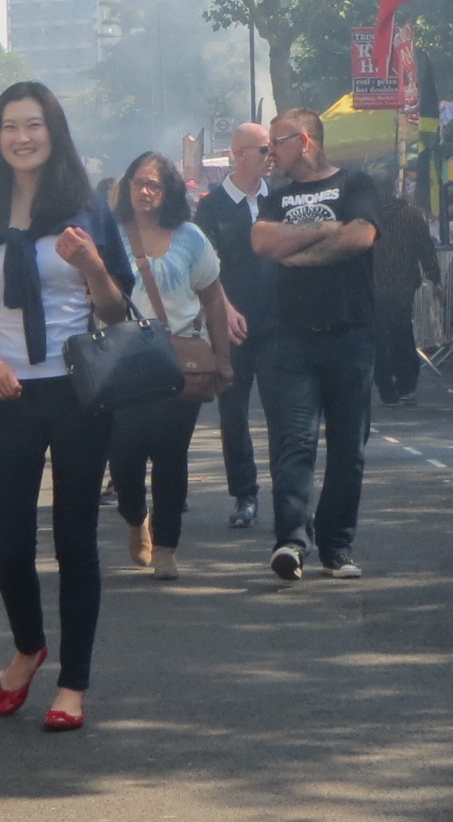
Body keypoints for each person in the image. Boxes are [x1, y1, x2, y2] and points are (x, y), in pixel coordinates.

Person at [0, 82, 130, 728]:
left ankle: (73, 685)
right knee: (10, 545)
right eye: (10, 126)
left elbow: (117, 310)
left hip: (77, 391)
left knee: (76, 540)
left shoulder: (86, 207)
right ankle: (28, 644)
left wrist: (94, 265)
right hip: (6, 390)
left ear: (54, 132)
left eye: (34, 125)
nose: (23, 137)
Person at [251, 108, 386, 578]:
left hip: (351, 334)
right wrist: (325, 229)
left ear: (305, 140)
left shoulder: (356, 184)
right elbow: (263, 240)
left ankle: (336, 546)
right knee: (295, 442)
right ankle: (291, 541)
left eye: (277, 142)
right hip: (290, 338)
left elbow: (360, 235)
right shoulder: (276, 196)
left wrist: (302, 257)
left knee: (349, 448)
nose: (271, 153)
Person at [106, 150, 230, 578]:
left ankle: (166, 547)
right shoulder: (111, 235)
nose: (144, 191)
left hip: (179, 362)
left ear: (168, 191)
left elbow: (213, 299)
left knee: (170, 455)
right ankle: (134, 517)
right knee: (124, 454)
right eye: (138, 182)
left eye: (153, 184)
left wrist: (223, 358)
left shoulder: (190, 237)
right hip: (123, 363)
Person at [192, 121, 272, 530]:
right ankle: (245, 493)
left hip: (278, 323)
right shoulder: (211, 207)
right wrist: (224, 310)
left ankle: (292, 493)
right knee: (234, 411)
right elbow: (207, 266)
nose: (271, 156)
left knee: (286, 410)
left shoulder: (279, 197)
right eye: (264, 149)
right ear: (240, 154)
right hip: (232, 326)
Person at [371, 185, 440, 405]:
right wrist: (434, 275)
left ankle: (385, 386)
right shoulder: (410, 213)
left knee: (378, 336)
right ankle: (406, 383)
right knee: (402, 331)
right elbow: (425, 246)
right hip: (403, 282)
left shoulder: (365, 214)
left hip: (373, 282)